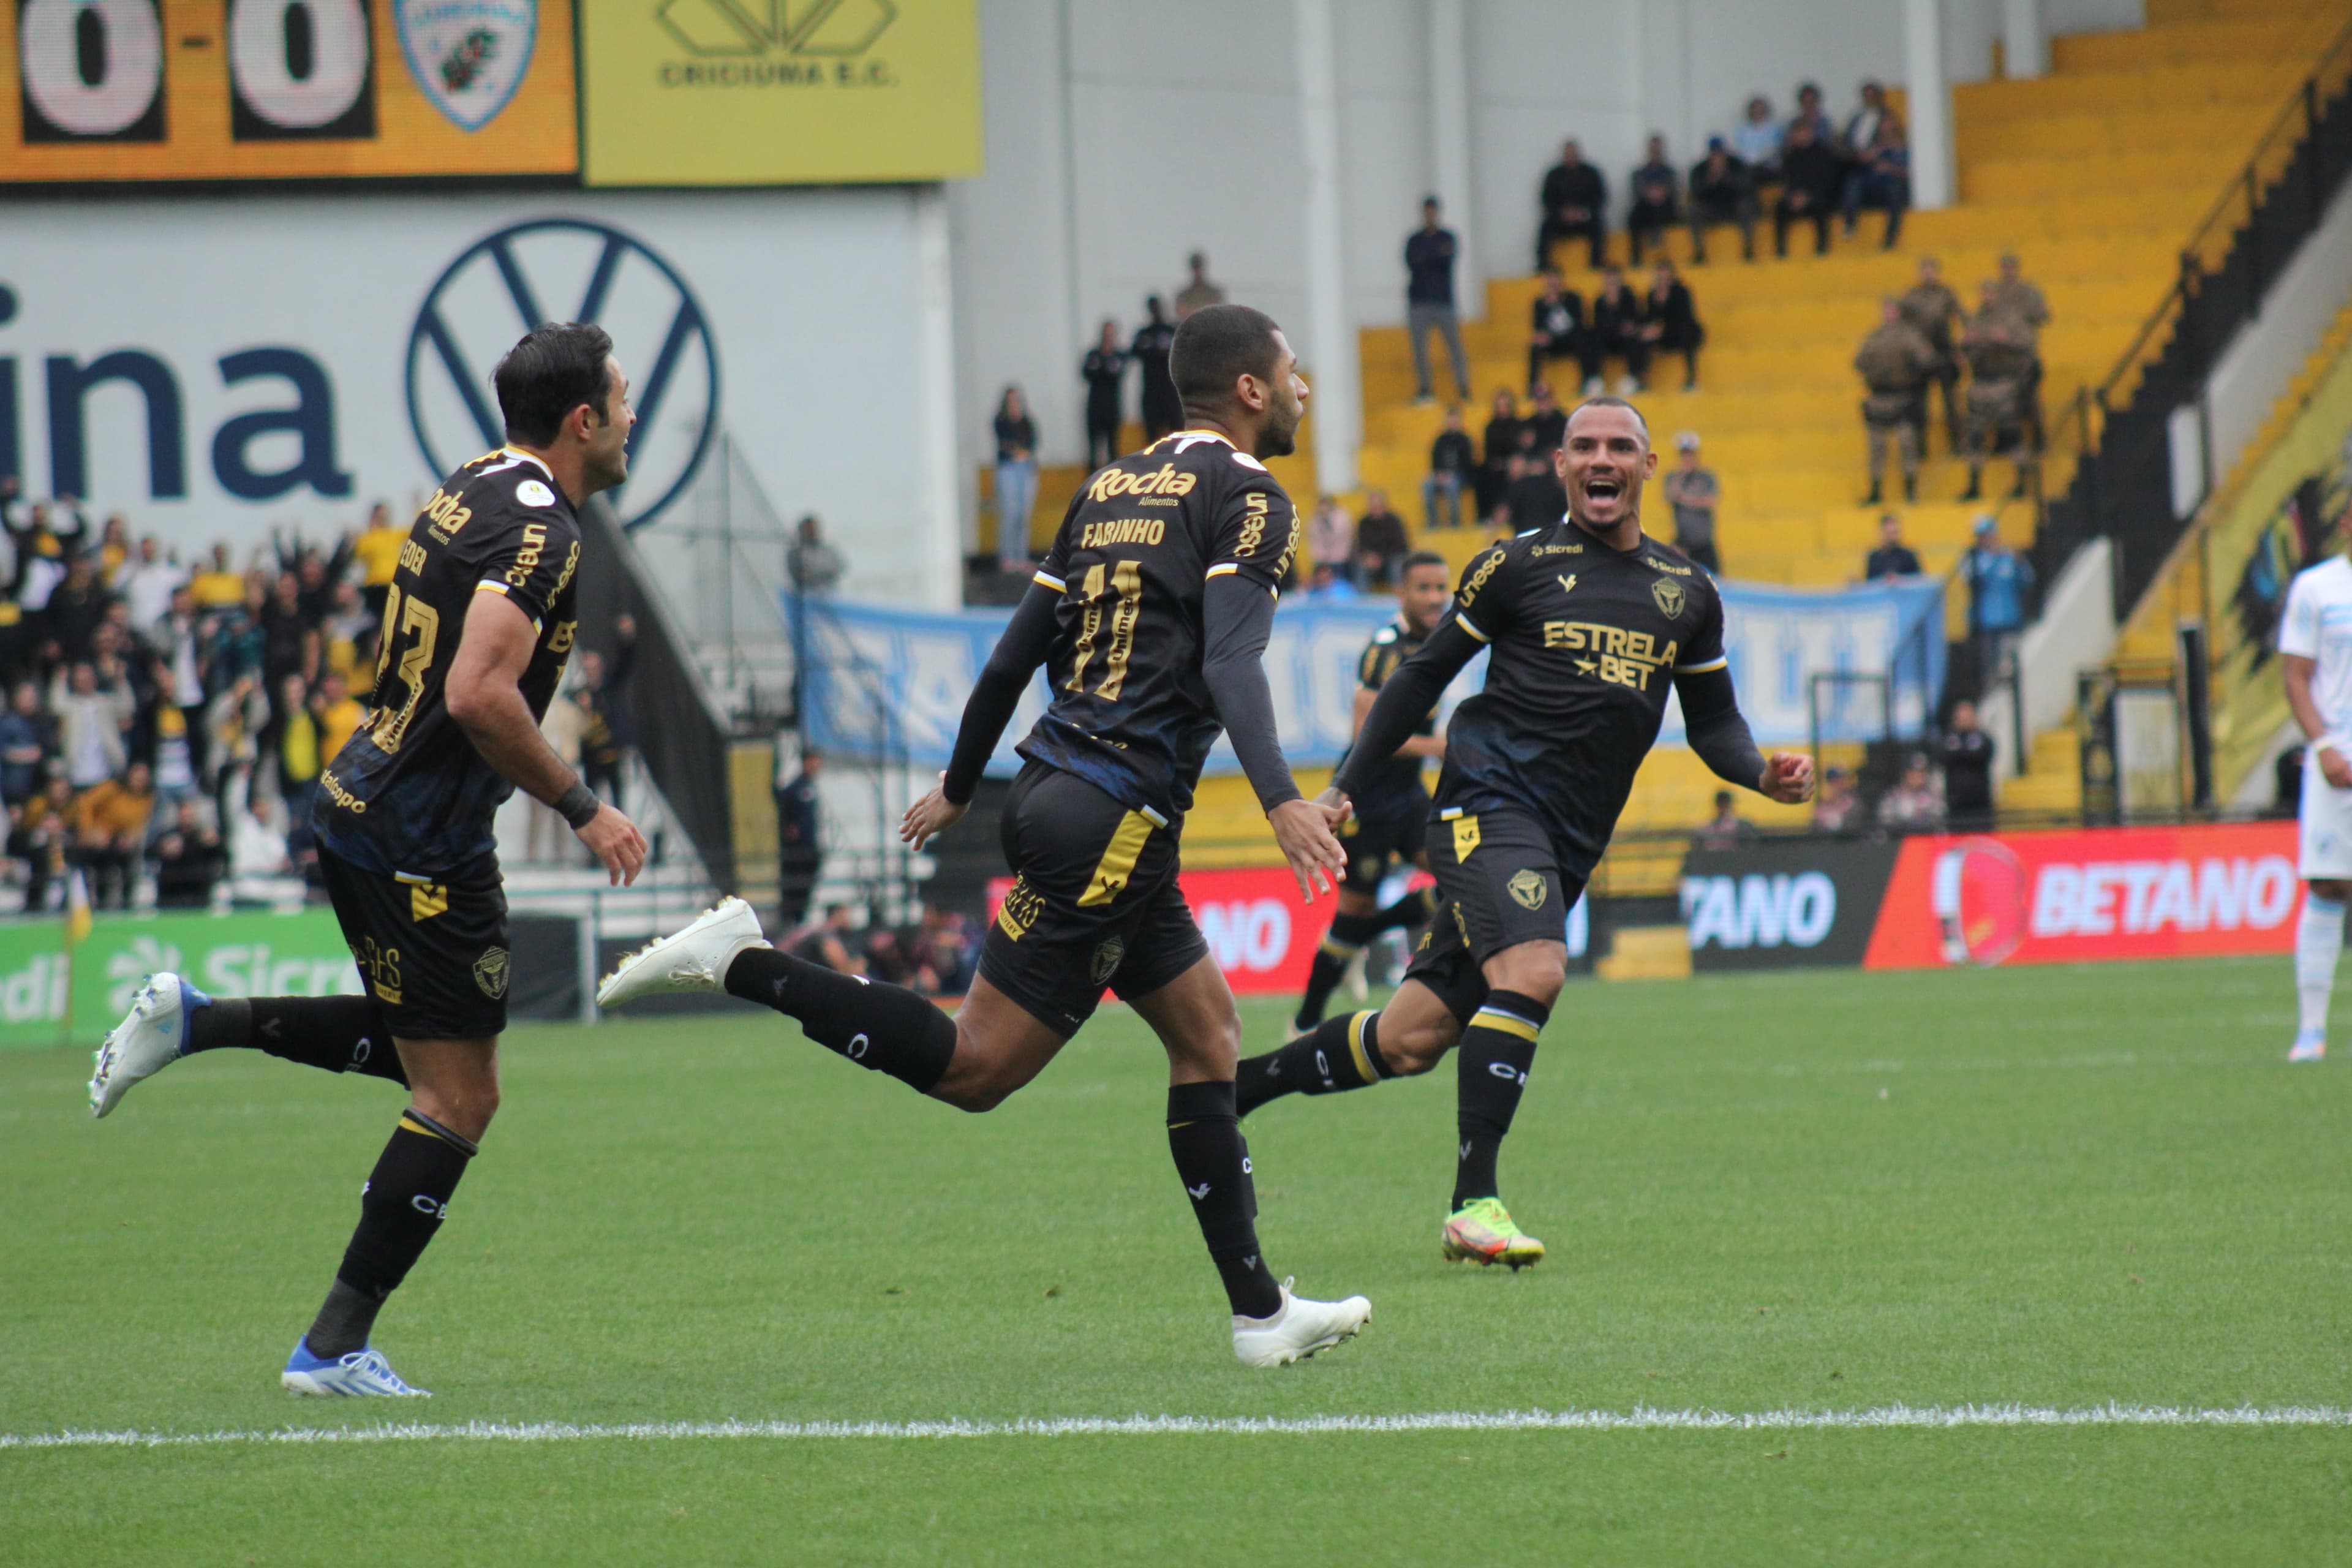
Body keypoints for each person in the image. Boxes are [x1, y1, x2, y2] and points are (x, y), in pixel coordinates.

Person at [598, 303, 1370, 1369]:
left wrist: (962, 786)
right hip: (1113, 813)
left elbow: (1012, 660)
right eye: (1293, 374)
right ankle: (744, 962)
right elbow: (1232, 664)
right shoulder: (1248, 496)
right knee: (976, 1070)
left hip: (1067, 792)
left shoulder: (1109, 490)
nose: (1302, 390)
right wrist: (1283, 797)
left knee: (1208, 1038)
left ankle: (1260, 1314)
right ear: (1249, 389)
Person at [89, 322, 650, 1399]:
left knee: (428, 1058)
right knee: (459, 1096)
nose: (632, 418)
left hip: (360, 799)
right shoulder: (548, 536)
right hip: (419, 839)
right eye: (621, 399)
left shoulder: (479, 480)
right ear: (583, 420)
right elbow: (478, 692)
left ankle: (197, 1022)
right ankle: (331, 1348)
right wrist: (584, 808)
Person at [1232, 398, 1814, 1268]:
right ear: (1561, 467)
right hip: (1486, 806)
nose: (1601, 459)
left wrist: (1761, 772)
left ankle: (1233, 1092)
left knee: (1412, 1038)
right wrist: (1345, 788)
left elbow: (1713, 725)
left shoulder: (1686, 594)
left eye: (1620, 447)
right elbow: (1421, 678)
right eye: (1584, 447)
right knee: (1537, 969)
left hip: (1567, 841)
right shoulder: (1516, 566)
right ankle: (1475, 1203)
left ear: (1648, 467)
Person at [1292, 552, 1452, 1031]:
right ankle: (1304, 1022)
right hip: (1365, 800)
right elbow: (1368, 731)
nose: (1434, 598)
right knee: (1353, 911)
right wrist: (1440, 746)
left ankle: (1364, 936)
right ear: (1401, 594)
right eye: (1423, 588)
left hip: (1409, 793)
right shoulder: (1385, 649)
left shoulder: (1443, 638)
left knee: (1462, 880)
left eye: (1441, 588)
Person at [2280, 526, 2352, 1060]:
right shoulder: (2316, 588)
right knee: (2329, 887)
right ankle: (2311, 1030)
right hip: (2338, 760)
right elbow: (2296, 674)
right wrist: (2324, 744)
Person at [1959, 288, 2041, 502]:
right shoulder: (1976, 321)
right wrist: (1968, 344)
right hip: (1981, 383)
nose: (1987, 297)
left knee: (2011, 434)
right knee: (1975, 437)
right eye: (1984, 293)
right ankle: (1974, 485)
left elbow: (2029, 346)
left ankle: (2022, 482)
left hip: (2004, 383)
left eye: (1990, 293)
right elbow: (1963, 353)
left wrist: (2006, 341)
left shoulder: (2011, 320)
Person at [1855, 298, 1934, 506]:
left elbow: (1926, 360)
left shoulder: (1909, 336)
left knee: (1907, 445)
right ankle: (1875, 491)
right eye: (1885, 310)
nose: (1888, 314)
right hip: (1879, 396)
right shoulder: (1874, 337)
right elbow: (1859, 362)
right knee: (1877, 447)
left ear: (1899, 313)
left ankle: (1910, 491)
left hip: (1903, 396)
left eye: (1891, 310)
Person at [1404, 196, 1469, 404]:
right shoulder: (1415, 240)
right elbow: (1414, 263)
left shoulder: (1447, 237)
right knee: (1420, 350)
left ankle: (1463, 386)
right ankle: (1425, 388)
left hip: (1443, 301)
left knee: (1455, 347)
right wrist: (1434, 257)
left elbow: (1441, 261)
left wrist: (1427, 258)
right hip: (1420, 302)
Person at [1898, 257, 1966, 451]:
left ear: (1937, 272)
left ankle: (1958, 441)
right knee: (1920, 402)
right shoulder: (1912, 296)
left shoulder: (1946, 293)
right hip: (1921, 356)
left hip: (1945, 352)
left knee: (1951, 402)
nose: (1928, 273)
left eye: (1931, 270)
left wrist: (1961, 349)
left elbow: (1963, 318)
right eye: (1924, 270)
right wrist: (1912, 350)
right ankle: (1921, 446)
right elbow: (1902, 326)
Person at [1961, 514, 2034, 694]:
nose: (1985, 539)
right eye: (1981, 536)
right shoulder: (1975, 558)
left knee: (2008, 660)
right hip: (1986, 619)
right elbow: (1969, 577)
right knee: (1989, 664)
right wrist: (1993, 559)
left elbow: (2027, 580)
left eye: (1987, 534)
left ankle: (2010, 692)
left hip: (2009, 617)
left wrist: (2020, 563)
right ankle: (1992, 692)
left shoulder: (2010, 557)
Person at [69, 760, 155, 908]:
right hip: (96, 836)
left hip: (120, 840)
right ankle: (90, 903)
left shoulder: (147, 799)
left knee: (129, 858)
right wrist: (88, 830)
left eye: (142, 779)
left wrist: (131, 837)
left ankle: (127, 903)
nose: (138, 782)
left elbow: (141, 823)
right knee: (94, 859)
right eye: (136, 777)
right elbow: (84, 803)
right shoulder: (112, 789)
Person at [1842, 110, 1910, 251]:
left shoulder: (1904, 148)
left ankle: (1889, 239)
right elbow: (1858, 162)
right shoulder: (1873, 146)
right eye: (1883, 124)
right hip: (1873, 188)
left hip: (1893, 188)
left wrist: (1890, 168)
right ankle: (1850, 223)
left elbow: (1910, 174)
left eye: (1889, 124)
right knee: (1854, 183)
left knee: (1894, 190)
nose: (1886, 128)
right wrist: (1870, 155)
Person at [1536, 139, 1607, 271]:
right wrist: (1562, 213)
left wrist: (1582, 212)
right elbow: (1546, 200)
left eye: (1573, 153)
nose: (1571, 157)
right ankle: (1543, 265)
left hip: (1585, 219)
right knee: (1546, 227)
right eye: (1568, 154)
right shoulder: (1554, 175)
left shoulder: (1591, 173)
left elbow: (1600, 198)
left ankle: (1596, 264)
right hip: (1561, 220)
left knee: (1598, 225)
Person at [1774, 118, 1840, 258]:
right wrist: (1793, 197)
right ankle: (1781, 251)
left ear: (1810, 133)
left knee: (1821, 207)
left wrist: (1808, 197)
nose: (1799, 135)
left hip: (1818, 196)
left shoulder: (1823, 153)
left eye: (1802, 132)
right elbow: (1788, 180)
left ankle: (1822, 248)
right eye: (1796, 132)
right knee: (1780, 207)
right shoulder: (1791, 156)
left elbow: (1827, 180)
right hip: (1796, 198)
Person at [1686, 138, 1757, 263]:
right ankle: (1699, 252)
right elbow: (1696, 192)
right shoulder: (1699, 169)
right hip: (1711, 208)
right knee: (1693, 210)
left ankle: (1748, 249)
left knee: (1746, 206)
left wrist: (1727, 179)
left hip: (1732, 206)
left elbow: (1746, 188)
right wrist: (1710, 181)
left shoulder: (1737, 166)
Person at [993, 385, 1039, 575]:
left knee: (1023, 514)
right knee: (1010, 513)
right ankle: (1007, 556)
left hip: (1025, 468)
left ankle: (1021, 557)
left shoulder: (1027, 421)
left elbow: (1033, 442)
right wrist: (1017, 452)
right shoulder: (1001, 421)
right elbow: (1004, 444)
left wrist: (1022, 453)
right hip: (1009, 467)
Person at [1640, 260, 1704, 392]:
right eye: (1660, 277)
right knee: (1643, 337)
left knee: (1686, 335)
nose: (1663, 280)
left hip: (1683, 330)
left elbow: (1685, 317)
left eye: (1665, 277)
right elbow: (1650, 317)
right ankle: (1642, 378)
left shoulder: (1682, 291)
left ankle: (1691, 378)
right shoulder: (1652, 295)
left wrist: (1661, 329)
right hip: (1665, 334)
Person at [776, 750, 823, 930]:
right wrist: (790, 828)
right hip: (799, 849)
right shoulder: (796, 788)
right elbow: (785, 805)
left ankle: (800, 918)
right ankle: (793, 920)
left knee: (806, 884)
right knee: (796, 885)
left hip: (810, 846)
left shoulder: (810, 786)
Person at [1660, 432, 1721, 571]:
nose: (1687, 458)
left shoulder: (1706, 477)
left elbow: (1711, 501)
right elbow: (1670, 496)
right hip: (1683, 542)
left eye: (1690, 454)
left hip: (1704, 541)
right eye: (1684, 454)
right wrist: (1682, 474)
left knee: (1716, 582)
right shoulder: (1672, 477)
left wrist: (1685, 500)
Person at [151, 798, 227, 908]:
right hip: (171, 894)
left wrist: (214, 844)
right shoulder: (168, 835)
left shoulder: (204, 836)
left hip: (199, 894)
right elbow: (149, 852)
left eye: (190, 815)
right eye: (184, 815)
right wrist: (163, 849)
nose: (187, 818)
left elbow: (223, 855)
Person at [1526, 270, 1591, 396]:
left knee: (1583, 339)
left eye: (1555, 284)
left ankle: (1587, 380)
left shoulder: (1573, 299)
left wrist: (1559, 305)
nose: (1553, 288)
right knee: (1535, 346)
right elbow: (1538, 328)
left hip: (1570, 340)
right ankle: (1533, 386)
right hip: (1551, 343)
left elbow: (1579, 324)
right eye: (1549, 285)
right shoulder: (1539, 304)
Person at [1588, 266, 1649, 396]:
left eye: (1614, 283)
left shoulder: (1629, 299)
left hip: (1625, 339)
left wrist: (1629, 327)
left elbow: (1635, 321)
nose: (1611, 287)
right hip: (1607, 339)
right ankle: (1594, 379)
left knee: (1637, 339)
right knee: (1592, 339)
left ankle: (1633, 378)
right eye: (1608, 283)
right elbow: (1598, 324)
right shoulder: (1600, 302)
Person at [1939, 699, 1996, 831]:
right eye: (1961, 718)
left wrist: (1958, 754)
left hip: (1980, 804)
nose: (1964, 721)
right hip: (1956, 804)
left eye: (1967, 717)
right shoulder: (1948, 738)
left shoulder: (1983, 738)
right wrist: (1966, 753)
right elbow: (1942, 757)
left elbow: (1981, 755)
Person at [1131, 297, 1182, 443]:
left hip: (1170, 391)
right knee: (1151, 437)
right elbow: (1134, 353)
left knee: (1176, 434)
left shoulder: (1171, 331)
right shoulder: (1143, 333)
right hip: (1151, 392)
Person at [1080, 320, 1129, 471]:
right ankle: (1091, 486)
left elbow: (1117, 374)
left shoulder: (1120, 355)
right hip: (1094, 408)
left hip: (1112, 408)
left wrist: (1102, 370)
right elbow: (1087, 373)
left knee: (1113, 448)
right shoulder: (1093, 354)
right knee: (1094, 450)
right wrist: (1104, 370)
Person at [1626, 135, 1679, 265]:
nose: (1655, 152)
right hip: (1646, 208)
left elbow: (1672, 190)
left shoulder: (1670, 172)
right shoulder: (1639, 173)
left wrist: (1660, 194)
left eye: (1658, 149)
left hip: (1666, 207)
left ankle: (1657, 237)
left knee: (1662, 207)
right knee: (1634, 216)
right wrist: (1650, 194)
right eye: (1653, 149)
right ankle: (1636, 257)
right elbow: (1637, 190)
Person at [1425, 407, 1476, 530]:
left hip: (1460, 476)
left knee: (1452, 485)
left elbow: (1468, 463)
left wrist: (1451, 475)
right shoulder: (1440, 440)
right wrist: (1439, 474)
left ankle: (1455, 520)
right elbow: (1435, 460)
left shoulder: (1465, 440)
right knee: (1426, 484)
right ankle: (1433, 520)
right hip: (1441, 474)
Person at [1477, 389, 1523, 520]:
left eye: (1505, 405)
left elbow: (1520, 449)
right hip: (1496, 465)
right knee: (1484, 475)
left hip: (1515, 464)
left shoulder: (1518, 425)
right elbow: (1489, 452)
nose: (1503, 409)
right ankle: (1487, 516)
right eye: (1500, 406)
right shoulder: (1491, 427)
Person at [1353, 490, 1411, 590]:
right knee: (1360, 565)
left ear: (1384, 505)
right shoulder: (1364, 522)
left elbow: (1400, 545)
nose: (1375, 509)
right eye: (1373, 506)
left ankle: (1400, 595)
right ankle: (1362, 600)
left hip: (1391, 557)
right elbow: (1361, 544)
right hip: (1372, 560)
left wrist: (1381, 558)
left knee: (1397, 564)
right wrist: (1369, 557)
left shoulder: (1394, 521)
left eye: (1378, 506)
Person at [1875, 753, 1943, 831]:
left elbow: (1939, 821)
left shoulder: (1933, 797)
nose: (1917, 778)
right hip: (1899, 839)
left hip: (1925, 839)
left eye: (1921, 774)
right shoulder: (1893, 796)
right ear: (1906, 774)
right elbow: (1885, 821)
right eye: (1913, 773)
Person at [787, 515, 843, 595]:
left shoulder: (829, 549)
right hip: (805, 595)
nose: (812, 533)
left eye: (813, 529)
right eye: (808, 530)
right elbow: (798, 575)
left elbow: (840, 566)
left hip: (829, 591)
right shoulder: (795, 552)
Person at [1306, 494, 1355, 582]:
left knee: (1340, 570)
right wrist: (1322, 557)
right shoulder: (1314, 521)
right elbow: (1315, 543)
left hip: (1341, 557)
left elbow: (1346, 540)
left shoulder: (1342, 518)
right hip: (1322, 558)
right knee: (1318, 571)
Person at [1690, 788, 1759, 850]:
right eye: (1721, 804)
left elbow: (1751, 848)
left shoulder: (1744, 826)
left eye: (1725, 804)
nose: (1723, 808)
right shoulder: (1706, 827)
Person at [1732, 94, 1782, 176]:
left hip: (1769, 168)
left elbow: (1774, 149)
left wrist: (1758, 159)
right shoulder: (1742, 130)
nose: (1757, 112)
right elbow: (1740, 150)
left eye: (1760, 109)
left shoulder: (1774, 128)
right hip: (1748, 168)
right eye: (1755, 109)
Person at [1863, 513, 1923, 580]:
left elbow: (1920, 580)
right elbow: (1870, 583)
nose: (1892, 536)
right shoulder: (1874, 558)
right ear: (1881, 532)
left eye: (1895, 532)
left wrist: (1900, 579)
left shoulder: (1908, 555)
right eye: (1889, 533)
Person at [1174, 251, 1226, 320]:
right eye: (1195, 268)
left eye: (1199, 267)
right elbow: (1181, 313)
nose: (1197, 271)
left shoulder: (1215, 292)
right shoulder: (1183, 294)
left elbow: (1218, 312)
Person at [1813, 764, 1863, 834]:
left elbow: (1855, 825)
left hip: (1847, 840)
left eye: (1842, 780)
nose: (1839, 784)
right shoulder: (1821, 805)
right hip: (1825, 841)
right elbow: (1816, 827)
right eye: (1834, 781)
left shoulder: (1852, 802)